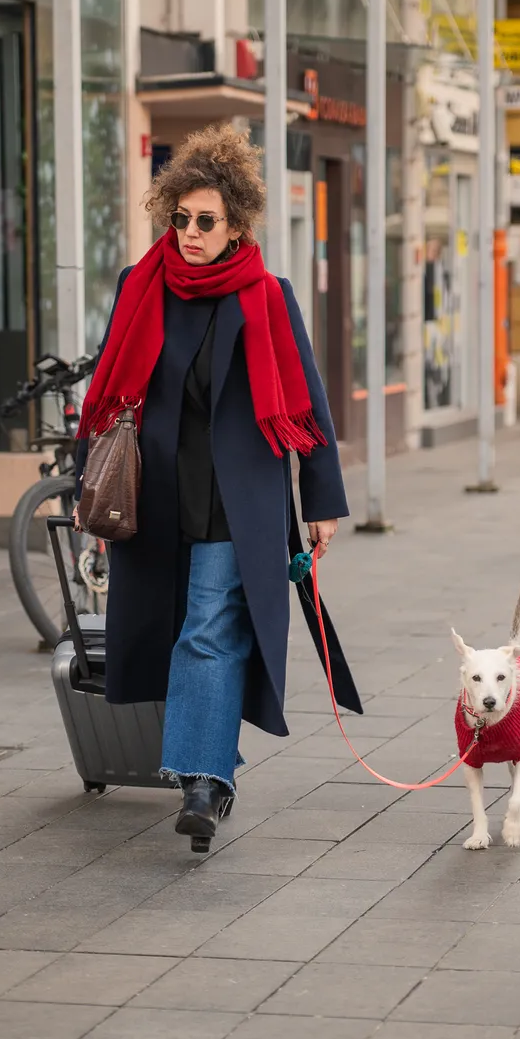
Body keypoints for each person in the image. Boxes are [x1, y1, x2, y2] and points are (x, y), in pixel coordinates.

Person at [74, 124, 357, 852]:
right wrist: (87, 489)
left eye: (206, 221)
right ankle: (216, 763)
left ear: (236, 226)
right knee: (175, 633)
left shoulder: (267, 297)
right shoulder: (142, 290)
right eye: (181, 218)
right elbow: (105, 397)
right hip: (156, 497)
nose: (190, 232)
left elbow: (308, 404)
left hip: (239, 499)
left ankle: (200, 784)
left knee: (209, 627)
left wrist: (320, 499)